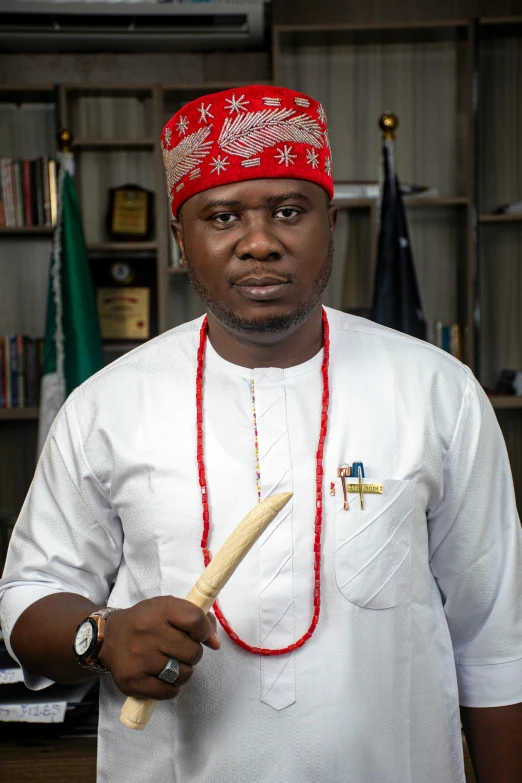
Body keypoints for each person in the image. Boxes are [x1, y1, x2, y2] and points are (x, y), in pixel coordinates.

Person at [1, 85, 521, 783]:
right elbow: (30, 594)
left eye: (288, 210)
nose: (259, 242)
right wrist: (103, 635)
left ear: (330, 222)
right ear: (182, 239)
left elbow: (495, 642)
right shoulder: (106, 407)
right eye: (222, 216)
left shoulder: (439, 393)